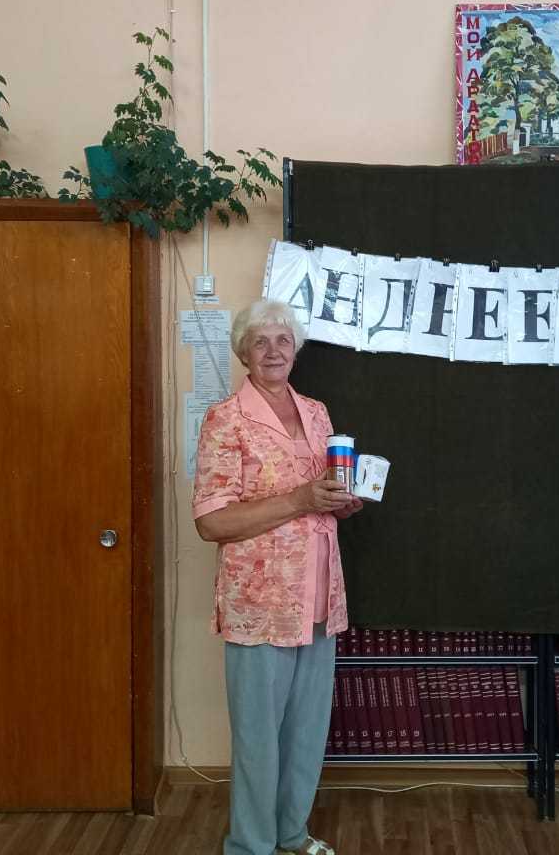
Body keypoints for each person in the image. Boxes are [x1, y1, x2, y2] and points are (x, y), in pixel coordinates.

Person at [193, 298, 363, 855]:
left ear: (296, 349)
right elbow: (212, 521)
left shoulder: (316, 412)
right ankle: (250, 846)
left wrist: (340, 502)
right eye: (260, 341)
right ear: (244, 352)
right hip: (260, 604)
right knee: (258, 738)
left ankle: (291, 833)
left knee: (306, 733)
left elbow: (322, 494)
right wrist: (300, 499)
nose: (273, 350)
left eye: (283, 340)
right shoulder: (225, 418)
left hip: (319, 596)